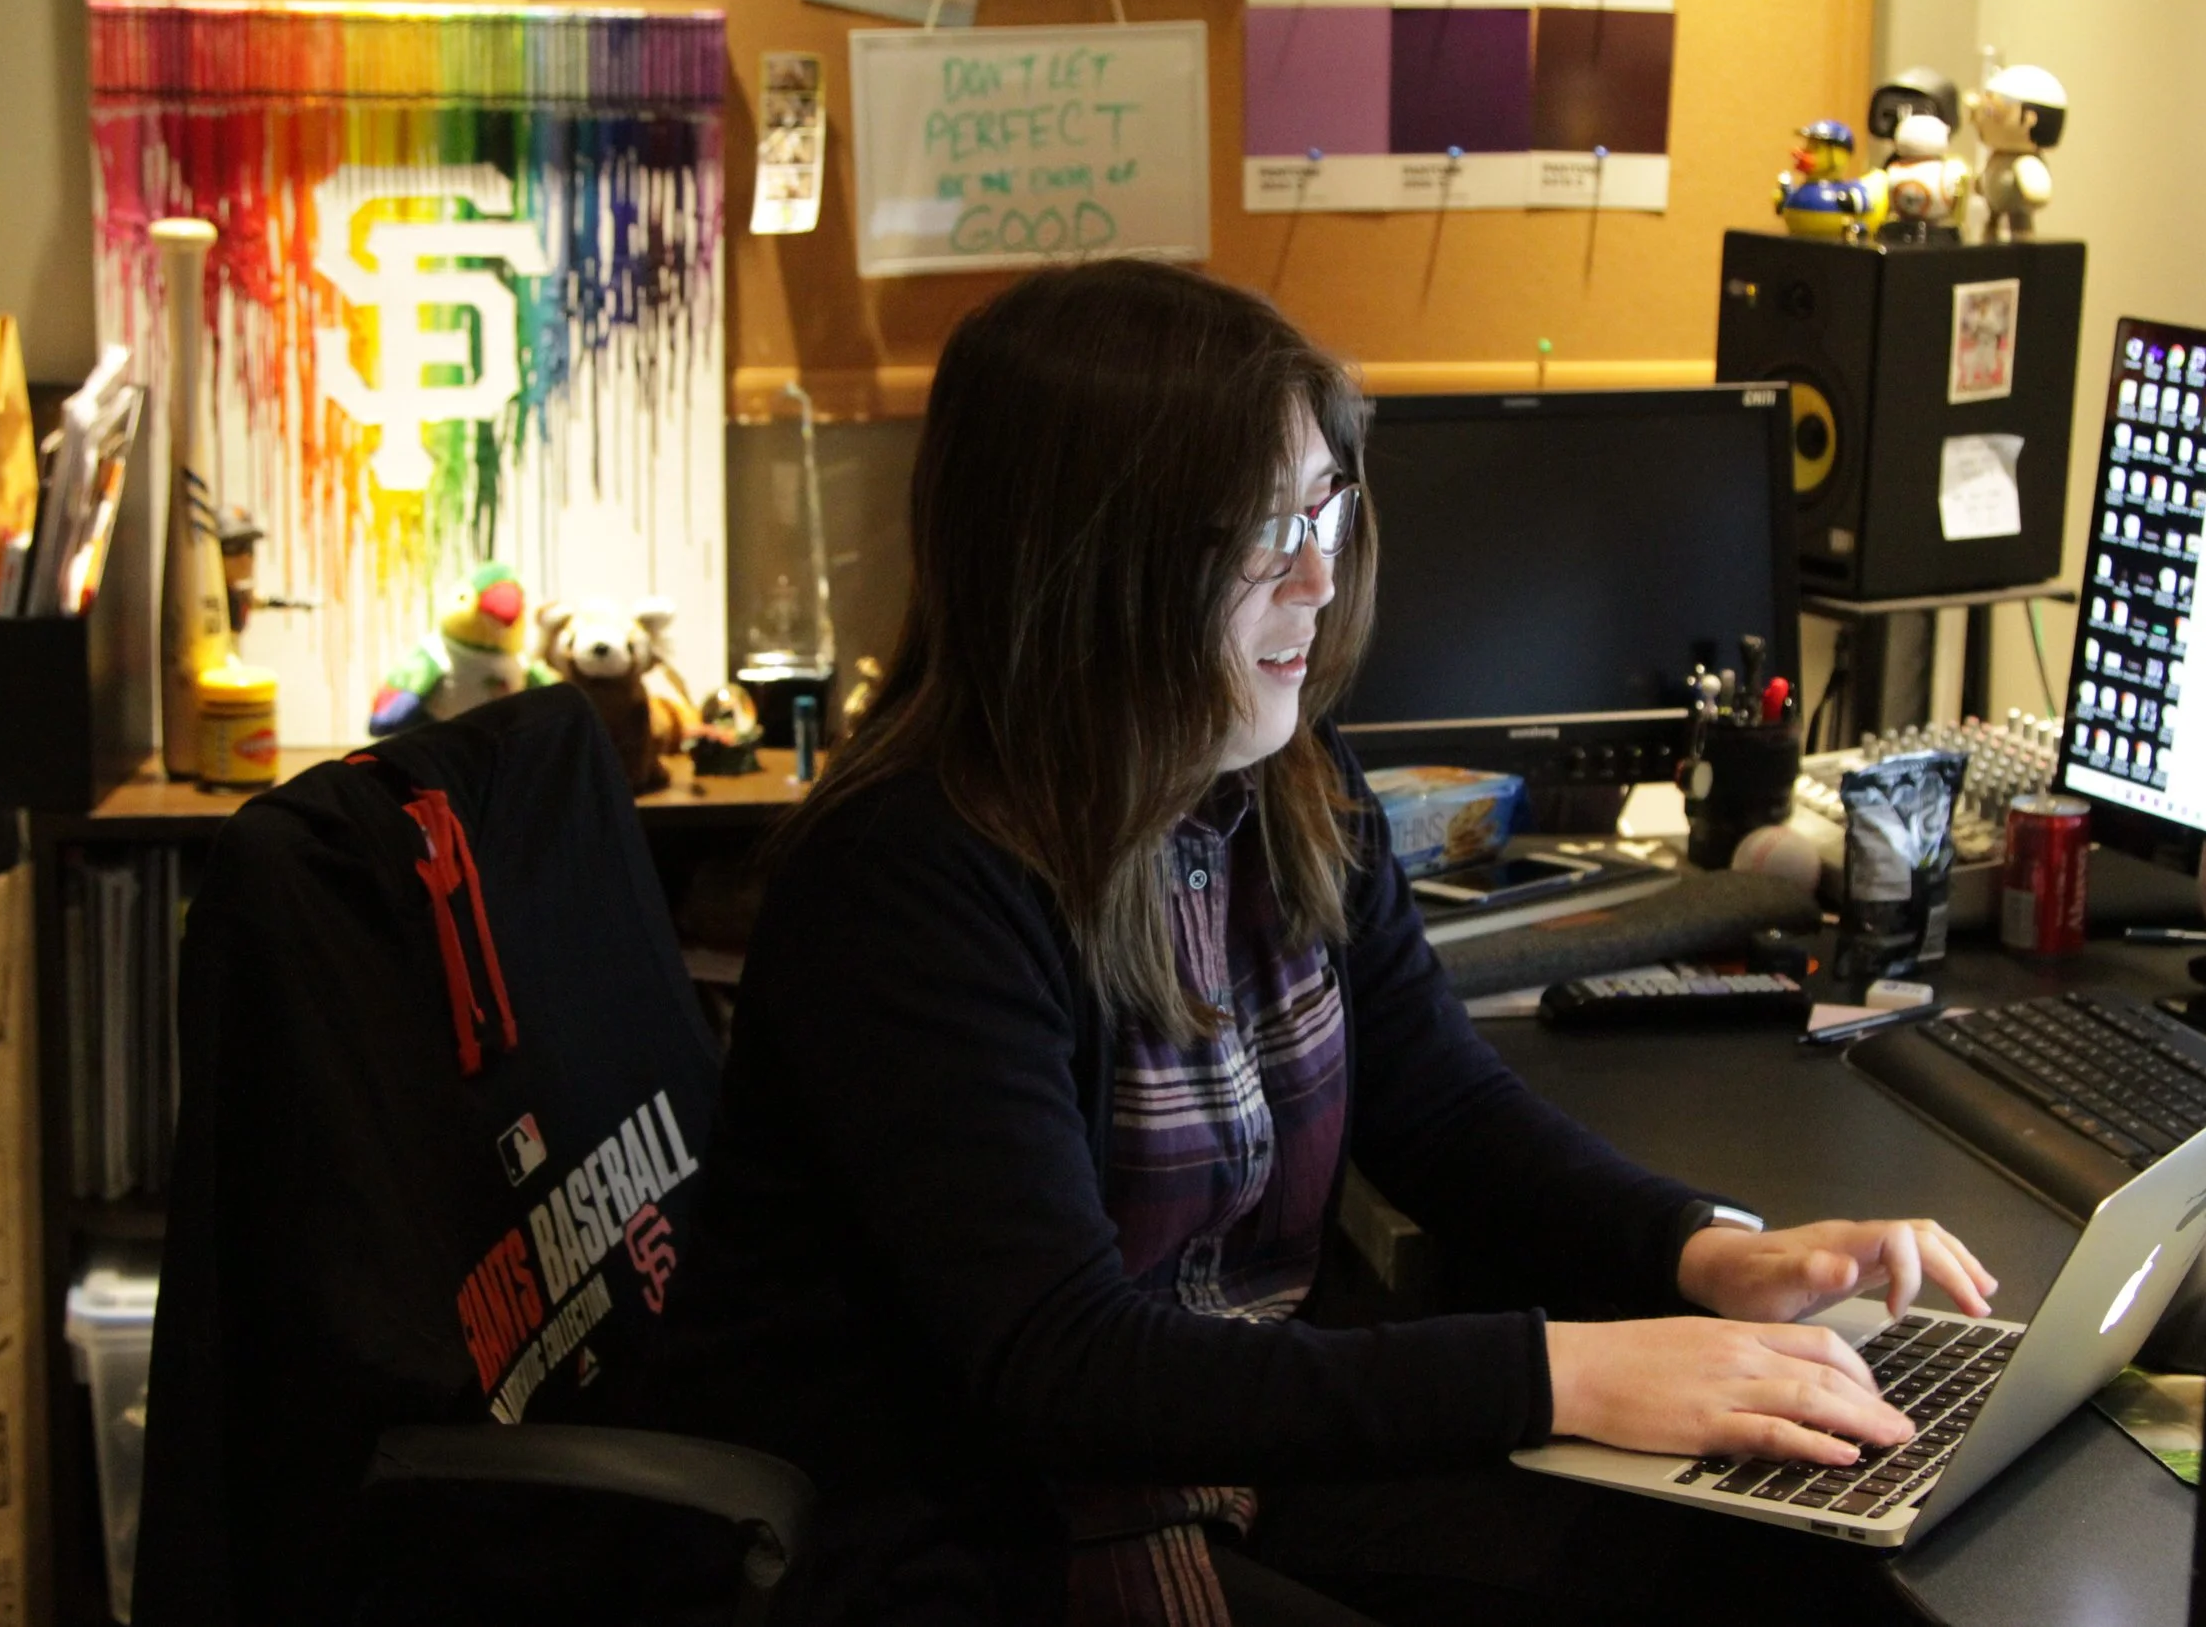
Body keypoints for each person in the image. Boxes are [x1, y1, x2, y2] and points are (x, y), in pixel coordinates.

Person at [652, 259, 1998, 1625]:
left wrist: (1699, 1250)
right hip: (987, 1521)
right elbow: (1065, 1364)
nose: (1319, 574)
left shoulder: (1275, 772)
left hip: (1226, 1446)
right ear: (1093, 561)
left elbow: (1438, 1100)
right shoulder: (909, 881)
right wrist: (1567, 1371)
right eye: (1262, 529)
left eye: (1327, 507)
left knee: (1759, 1545)